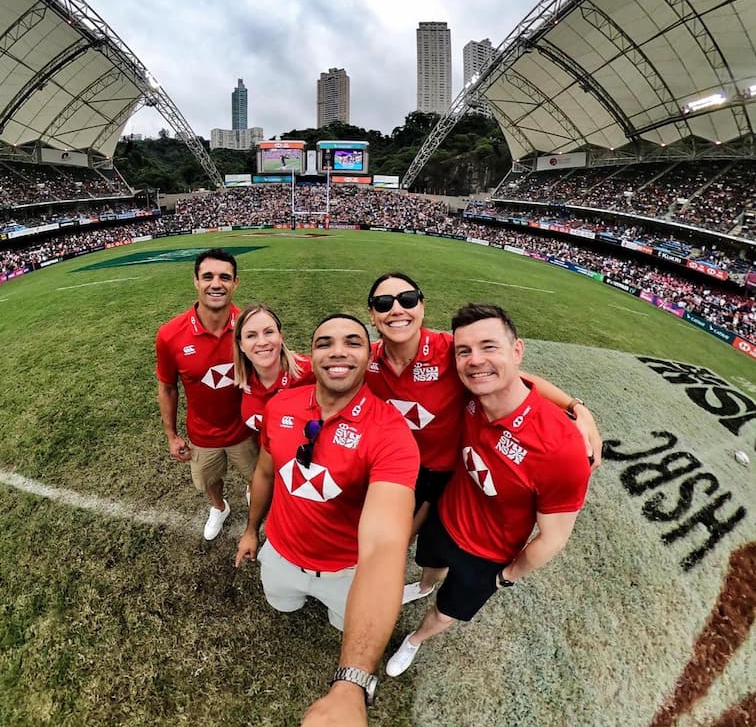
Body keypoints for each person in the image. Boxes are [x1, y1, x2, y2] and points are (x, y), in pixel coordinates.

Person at [365, 271, 600, 603]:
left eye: (407, 300)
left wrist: (577, 407)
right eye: (384, 303)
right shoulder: (367, 359)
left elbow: (517, 379)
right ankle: (411, 578)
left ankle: (420, 582)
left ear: (421, 306)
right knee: (389, 531)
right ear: (372, 315)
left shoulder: (451, 351)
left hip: (439, 472)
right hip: (395, 464)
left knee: (408, 534)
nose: (397, 309)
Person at [385, 302, 592, 677]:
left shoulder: (561, 449)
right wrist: (578, 404)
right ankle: (424, 585)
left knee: (447, 612)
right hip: (445, 516)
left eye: (489, 346)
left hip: (488, 556)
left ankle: (414, 640)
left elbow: (554, 538)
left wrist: (506, 576)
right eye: (464, 351)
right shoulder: (467, 395)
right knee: (430, 563)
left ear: (517, 351)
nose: (475, 360)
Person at [236, 314, 419, 726]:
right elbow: (265, 473)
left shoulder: (390, 433)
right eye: (325, 343)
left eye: (353, 342)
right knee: (281, 606)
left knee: (343, 627)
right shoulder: (280, 406)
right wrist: (251, 531)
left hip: (345, 574)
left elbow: (385, 545)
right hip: (279, 557)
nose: (338, 351)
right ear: (311, 355)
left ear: (369, 355)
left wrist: (352, 682)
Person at [156, 248, 257, 541]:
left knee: (257, 476)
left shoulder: (252, 327)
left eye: (225, 277)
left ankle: (254, 495)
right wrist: (172, 435)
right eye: (208, 276)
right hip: (202, 434)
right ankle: (220, 507)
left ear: (235, 283)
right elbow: (167, 386)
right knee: (210, 481)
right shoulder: (170, 335)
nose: (216, 284)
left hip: (247, 430)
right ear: (196, 282)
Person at [234, 302, 314, 435]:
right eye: (251, 336)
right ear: (241, 345)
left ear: (280, 337)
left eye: (269, 332)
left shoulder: (310, 370)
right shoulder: (244, 376)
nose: (262, 342)